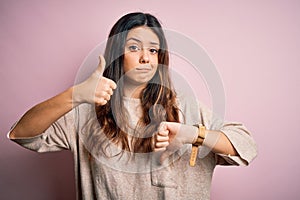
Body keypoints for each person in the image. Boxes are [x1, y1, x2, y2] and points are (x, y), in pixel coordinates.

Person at [8, 12, 257, 200]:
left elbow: (245, 145)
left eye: (153, 50)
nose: (145, 58)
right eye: (134, 48)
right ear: (118, 53)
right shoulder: (87, 113)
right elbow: (21, 133)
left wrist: (191, 134)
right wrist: (74, 95)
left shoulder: (182, 105)